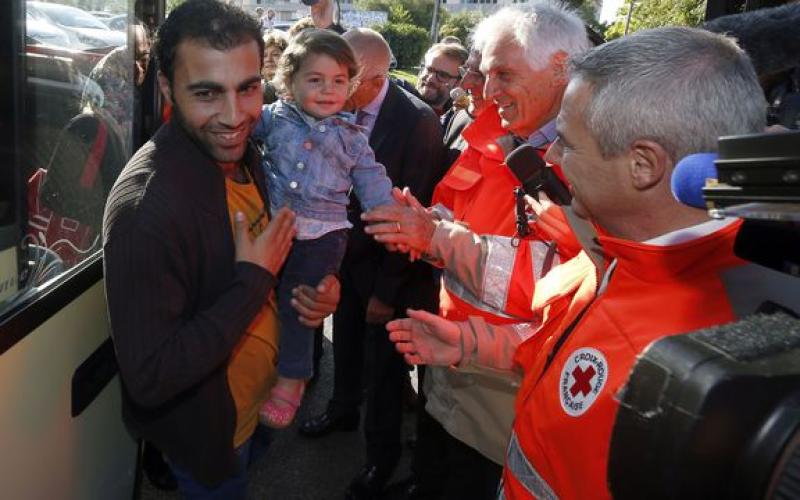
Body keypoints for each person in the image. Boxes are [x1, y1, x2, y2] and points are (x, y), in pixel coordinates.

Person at [386, 26, 781, 500]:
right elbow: (567, 348)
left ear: (644, 164)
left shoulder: (707, 356)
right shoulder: (620, 254)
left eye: (569, 144)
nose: (551, 154)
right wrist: (475, 345)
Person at [103, 1, 339, 497]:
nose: (235, 116)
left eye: (248, 88)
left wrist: (312, 293)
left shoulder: (247, 152)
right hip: (211, 437)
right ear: (167, 88)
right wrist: (253, 281)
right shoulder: (147, 210)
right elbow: (151, 377)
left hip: (258, 408)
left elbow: (263, 259)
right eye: (207, 92)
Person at [362, 5, 590, 498]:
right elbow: (453, 212)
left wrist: (436, 237)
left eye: (504, 74)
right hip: (449, 361)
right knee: (434, 469)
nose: (487, 92)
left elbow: (563, 281)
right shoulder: (492, 132)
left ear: (561, 68)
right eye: (486, 75)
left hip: (505, 389)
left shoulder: (596, 158)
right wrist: (421, 225)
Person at [296, 27, 444, 500]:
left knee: (383, 373)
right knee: (349, 349)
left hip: (392, 276)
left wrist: (386, 292)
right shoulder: (341, 109)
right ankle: (341, 410)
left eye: (347, 76)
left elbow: (411, 214)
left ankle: (380, 460)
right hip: (348, 262)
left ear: (377, 76)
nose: (334, 86)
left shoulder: (417, 122)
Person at [252, 28, 396, 429]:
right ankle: (259, 364)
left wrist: (388, 215)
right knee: (257, 290)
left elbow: (372, 180)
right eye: (315, 80)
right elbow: (241, 130)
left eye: (338, 81)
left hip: (323, 234)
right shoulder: (273, 118)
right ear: (289, 82)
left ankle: (293, 378)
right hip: (276, 222)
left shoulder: (351, 137)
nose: (327, 90)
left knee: (301, 303)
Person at [415, 42, 469, 116]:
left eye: (442, 75)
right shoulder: (397, 100)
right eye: (429, 69)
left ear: (458, 83)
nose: (431, 79)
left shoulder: (454, 124)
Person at [261, 30, 289, 104]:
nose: (268, 59)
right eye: (264, 55)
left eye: (275, 54)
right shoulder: (257, 85)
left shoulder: (291, 88)